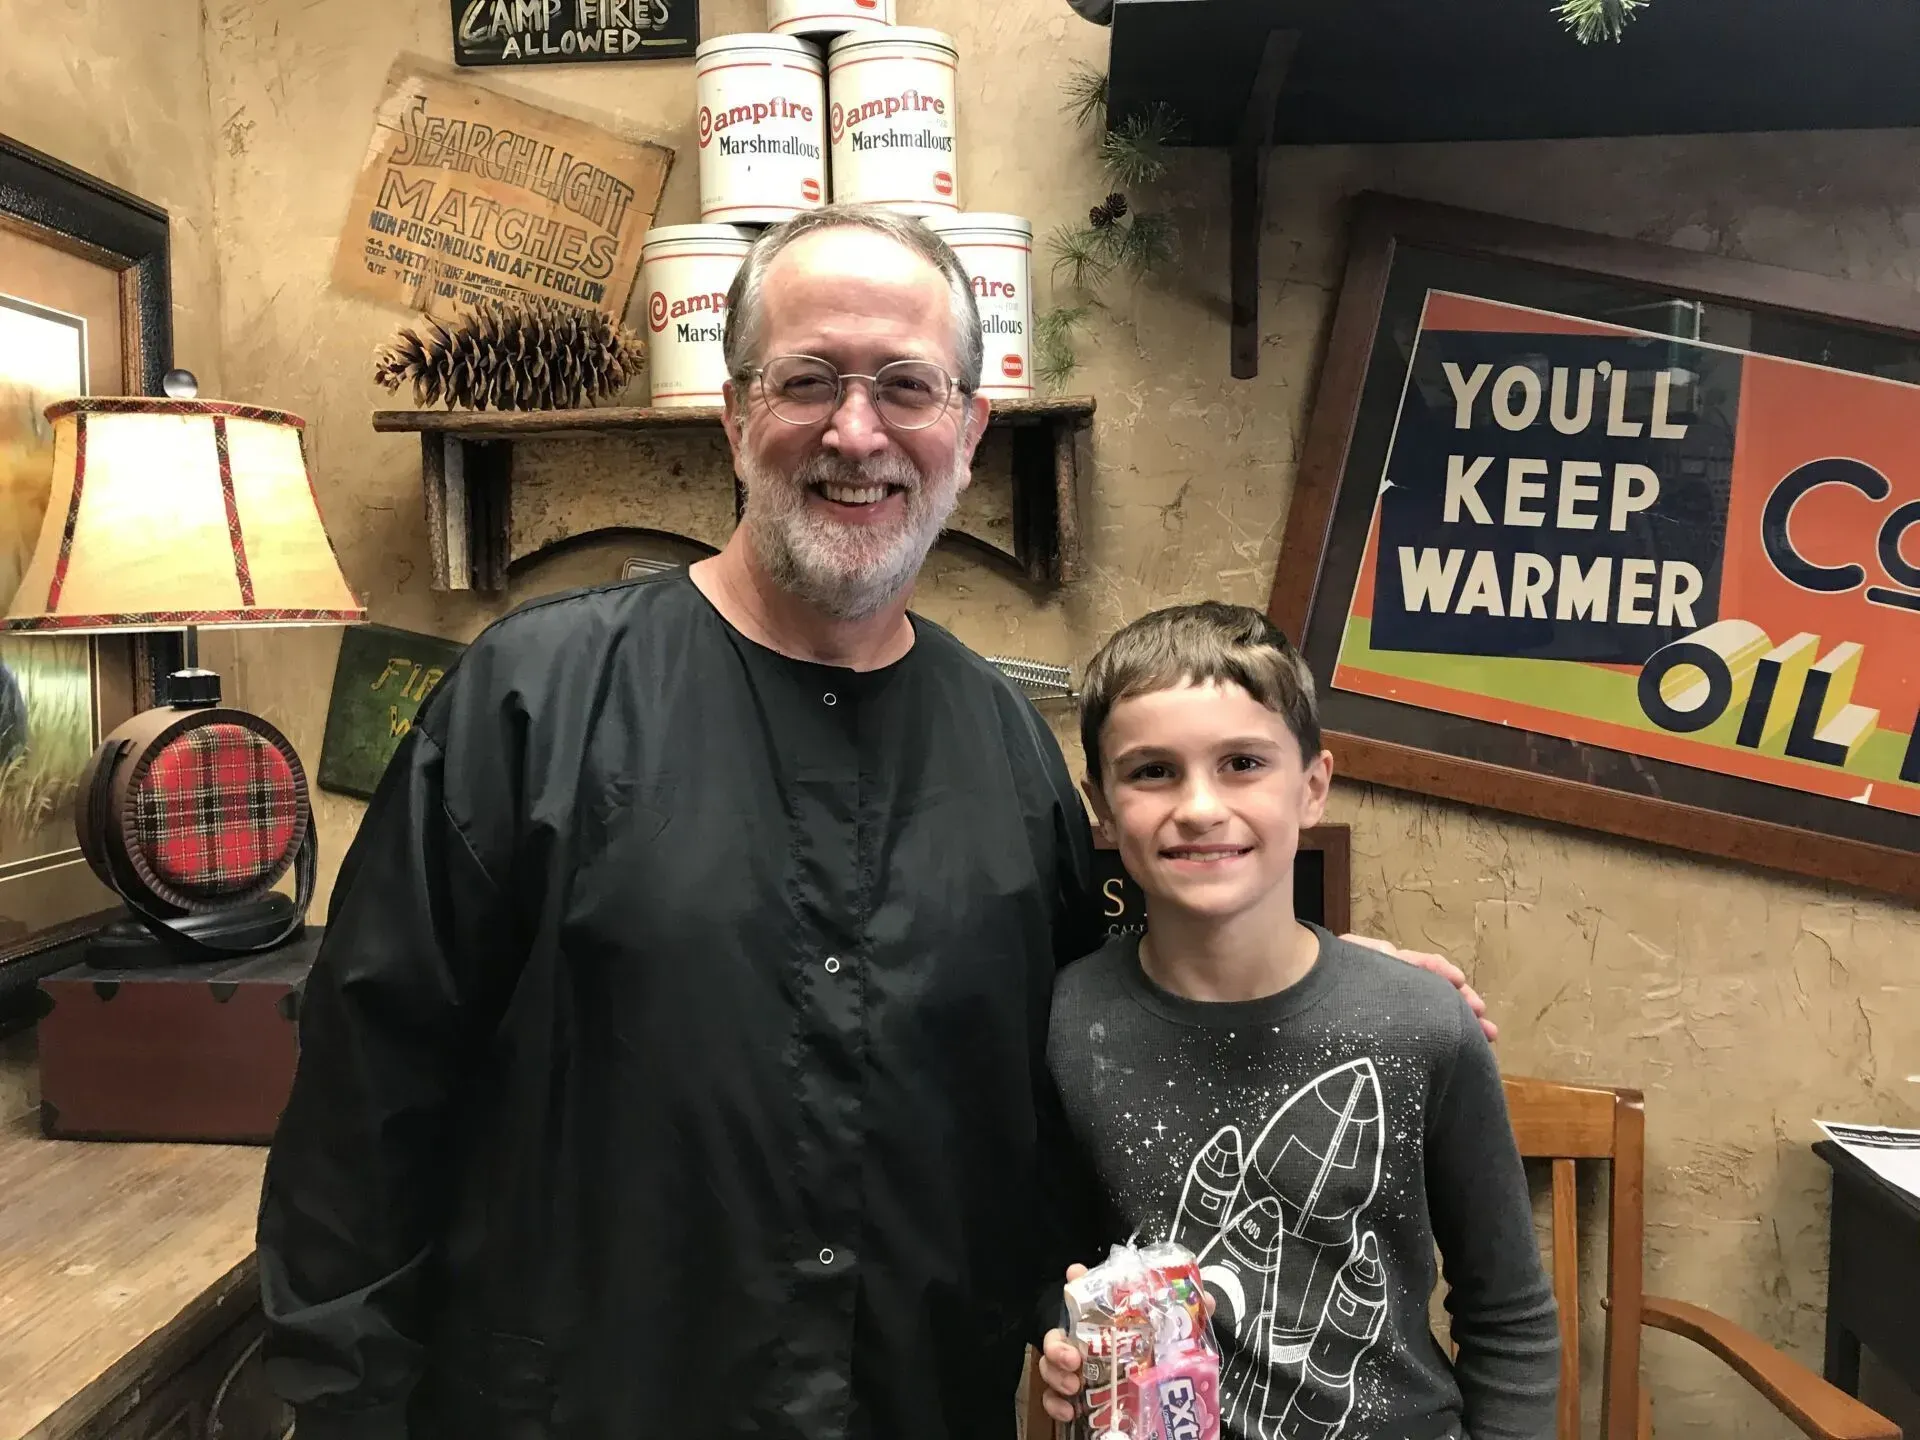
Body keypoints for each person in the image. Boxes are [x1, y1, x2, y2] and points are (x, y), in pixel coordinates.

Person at [256, 204, 1493, 1440]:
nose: (857, 432)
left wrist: (1318, 985)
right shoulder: (531, 703)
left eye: (907, 386)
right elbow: (365, 1106)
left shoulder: (1004, 749)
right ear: (736, 418)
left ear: (966, 431)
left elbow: (1107, 1031)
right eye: (809, 381)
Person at [1036, 602, 1557, 1440]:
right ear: (1102, 805)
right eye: (1152, 772)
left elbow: (1510, 1316)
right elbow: (1043, 1263)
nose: (1200, 807)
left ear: (1312, 786)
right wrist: (1061, 1342)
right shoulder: (1062, 1024)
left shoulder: (1422, 1022)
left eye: (1242, 762)